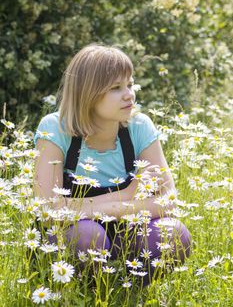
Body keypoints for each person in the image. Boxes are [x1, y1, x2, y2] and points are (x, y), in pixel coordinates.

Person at [34, 44, 191, 284]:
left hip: (127, 235)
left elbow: (169, 201)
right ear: (88, 93)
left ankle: (127, 290)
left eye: (129, 84)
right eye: (116, 88)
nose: (129, 94)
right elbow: (47, 211)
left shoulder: (139, 127)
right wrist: (128, 194)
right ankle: (84, 293)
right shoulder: (56, 129)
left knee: (173, 234)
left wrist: (87, 208)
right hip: (70, 236)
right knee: (88, 236)